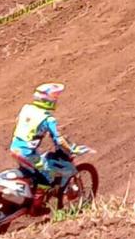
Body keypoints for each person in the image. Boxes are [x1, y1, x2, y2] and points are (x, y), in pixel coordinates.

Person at [10, 83, 92, 216]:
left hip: (15, 147)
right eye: (54, 96)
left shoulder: (26, 108)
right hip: (27, 153)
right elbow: (58, 140)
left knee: (32, 173)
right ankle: (35, 208)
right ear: (47, 99)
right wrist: (70, 149)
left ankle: (28, 197)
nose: (55, 99)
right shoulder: (48, 119)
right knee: (47, 177)